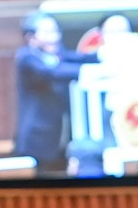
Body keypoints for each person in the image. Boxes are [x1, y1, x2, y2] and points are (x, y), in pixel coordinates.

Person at [12, 12, 97, 171]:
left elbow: (82, 58)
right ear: (31, 37)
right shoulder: (27, 57)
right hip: (37, 141)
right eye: (48, 33)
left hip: (59, 139)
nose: (55, 38)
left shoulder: (58, 56)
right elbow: (52, 72)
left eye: (56, 31)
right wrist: (93, 72)